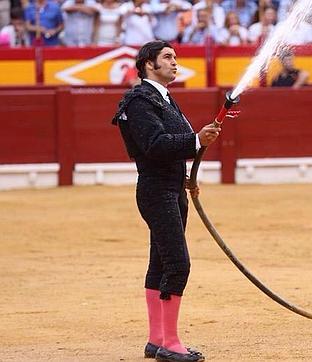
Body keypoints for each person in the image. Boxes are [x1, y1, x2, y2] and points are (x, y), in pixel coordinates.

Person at [111, 40, 221, 362]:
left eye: (175, 57)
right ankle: (170, 344)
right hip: (156, 190)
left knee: (160, 262)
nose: (175, 62)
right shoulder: (140, 101)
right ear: (148, 64)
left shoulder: (163, 99)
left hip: (171, 187)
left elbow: (173, 145)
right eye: (168, 57)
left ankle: (156, 339)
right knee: (177, 263)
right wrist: (196, 139)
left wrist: (188, 174)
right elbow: (155, 145)